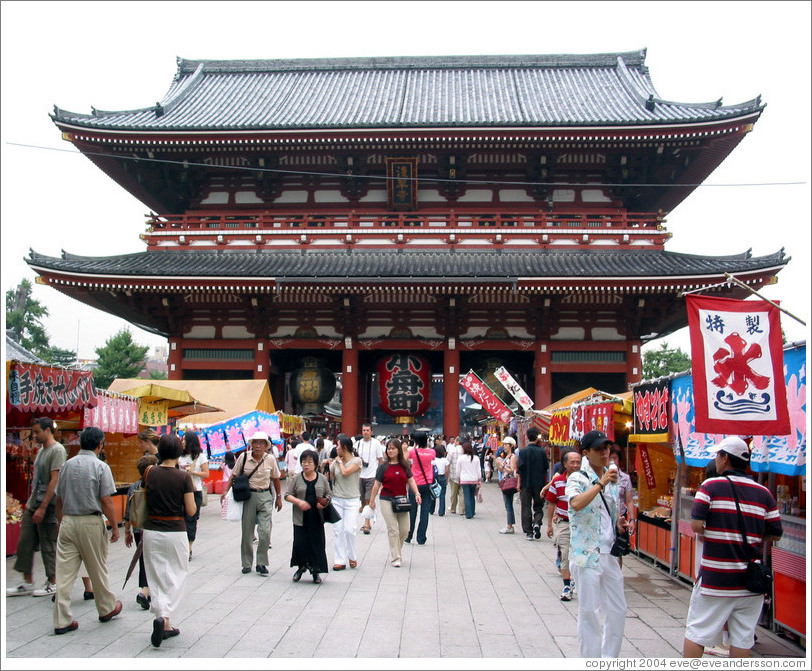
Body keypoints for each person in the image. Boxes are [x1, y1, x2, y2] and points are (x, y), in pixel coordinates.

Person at [683, 436, 783, 659]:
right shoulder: (764, 493)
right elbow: (775, 533)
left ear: (725, 458)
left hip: (716, 580)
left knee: (697, 633)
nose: (716, 459)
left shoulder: (710, 486)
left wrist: (721, 533)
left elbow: (697, 525)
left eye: (717, 455)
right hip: (750, 581)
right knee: (742, 640)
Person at [51, 426, 122, 635]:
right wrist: (115, 526)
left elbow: (59, 499)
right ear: (100, 445)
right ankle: (106, 608)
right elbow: (106, 500)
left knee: (64, 573)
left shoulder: (67, 465)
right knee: (97, 567)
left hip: (68, 522)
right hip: (90, 522)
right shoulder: (101, 467)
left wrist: (61, 522)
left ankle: (62, 619)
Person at [566, 429, 628, 658]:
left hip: (609, 552)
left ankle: (609, 657)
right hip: (587, 553)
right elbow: (576, 503)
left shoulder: (612, 476)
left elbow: (609, 512)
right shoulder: (577, 478)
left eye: (607, 448)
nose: (605, 453)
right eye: (600, 449)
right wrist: (600, 483)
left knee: (618, 609)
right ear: (586, 453)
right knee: (589, 611)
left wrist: (619, 523)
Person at [142, 433, 197, 647]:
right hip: (175, 530)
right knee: (177, 574)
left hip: (152, 530)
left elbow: (146, 499)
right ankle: (165, 617)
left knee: (155, 575)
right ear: (179, 452)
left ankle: (162, 620)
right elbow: (191, 510)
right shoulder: (183, 477)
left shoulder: (150, 472)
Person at [7, 417, 67, 599]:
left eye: (37, 431)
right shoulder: (42, 451)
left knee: (48, 543)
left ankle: (53, 581)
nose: (34, 435)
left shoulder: (57, 450)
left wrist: (42, 507)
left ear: (48, 430)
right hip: (34, 503)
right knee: (25, 542)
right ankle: (27, 580)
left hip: (47, 504)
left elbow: (54, 480)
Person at [220, 431, 282, 576]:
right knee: (247, 531)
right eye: (256, 442)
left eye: (262, 443)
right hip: (249, 496)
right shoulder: (244, 457)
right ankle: (247, 563)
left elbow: (276, 479)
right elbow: (234, 475)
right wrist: (225, 492)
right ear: (251, 444)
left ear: (267, 446)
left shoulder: (271, 459)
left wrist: (278, 497)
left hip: (265, 495)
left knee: (265, 531)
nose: (258, 446)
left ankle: (261, 562)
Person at [368, 438, 422, 568]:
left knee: (405, 530)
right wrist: (372, 501)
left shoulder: (405, 465)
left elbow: (411, 480)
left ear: (398, 450)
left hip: (402, 499)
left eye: (393, 448)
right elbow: (376, 485)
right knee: (393, 529)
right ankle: (396, 557)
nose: (390, 451)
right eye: (388, 448)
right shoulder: (383, 467)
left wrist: (417, 493)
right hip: (387, 499)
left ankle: (396, 549)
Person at [283, 449, 331, 583]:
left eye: (310, 462)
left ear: (316, 464)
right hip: (300, 517)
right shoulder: (297, 478)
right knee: (300, 543)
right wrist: (298, 501)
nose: (306, 464)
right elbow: (287, 494)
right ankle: (301, 567)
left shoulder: (322, 478)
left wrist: (325, 502)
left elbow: (329, 494)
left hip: (316, 517)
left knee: (316, 544)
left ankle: (316, 571)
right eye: (304, 461)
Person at [123, 453, 159, 609]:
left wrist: (127, 532)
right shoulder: (156, 486)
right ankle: (145, 591)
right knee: (152, 560)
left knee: (143, 559)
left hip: (138, 529)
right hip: (153, 528)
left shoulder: (133, 487)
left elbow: (128, 512)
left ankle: (147, 590)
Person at [546, 448, 582, 601]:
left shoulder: (586, 481)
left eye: (578, 462)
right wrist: (549, 524)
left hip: (582, 524)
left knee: (581, 556)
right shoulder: (558, 481)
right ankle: (567, 584)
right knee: (565, 553)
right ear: (565, 464)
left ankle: (578, 582)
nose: (575, 465)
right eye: (572, 462)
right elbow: (552, 502)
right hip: (564, 522)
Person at [327, 434, 362, 570]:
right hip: (337, 498)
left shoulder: (357, 461)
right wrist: (327, 465)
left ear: (345, 448)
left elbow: (346, 472)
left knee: (349, 529)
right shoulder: (335, 463)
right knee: (338, 530)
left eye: (338, 446)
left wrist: (339, 462)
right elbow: (329, 477)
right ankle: (339, 560)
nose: (337, 448)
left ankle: (352, 556)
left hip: (352, 500)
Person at [178, 430, 209, 561]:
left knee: (191, 519)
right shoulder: (179, 455)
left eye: (185, 439)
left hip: (194, 491)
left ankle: (189, 548)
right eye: (182, 439)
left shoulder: (200, 456)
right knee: (180, 518)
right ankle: (181, 546)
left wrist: (193, 472)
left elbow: (206, 474)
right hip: (180, 491)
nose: (182, 442)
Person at [517, 427, 549, 540]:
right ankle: (537, 522)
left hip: (526, 483)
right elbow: (546, 467)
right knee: (538, 506)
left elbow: (519, 469)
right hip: (539, 483)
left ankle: (529, 532)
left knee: (526, 506)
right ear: (537, 437)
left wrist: (518, 483)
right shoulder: (542, 451)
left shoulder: (523, 452)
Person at [405, 433, 436, 543]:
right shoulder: (432, 452)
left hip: (415, 484)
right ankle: (421, 538)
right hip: (427, 484)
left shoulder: (413, 452)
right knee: (424, 512)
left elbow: (406, 458)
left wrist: (414, 446)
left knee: (412, 511)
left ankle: (408, 536)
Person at [356, 423, 384, 535]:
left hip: (372, 475)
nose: (365, 432)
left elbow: (380, 460)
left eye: (367, 430)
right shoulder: (358, 443)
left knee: (368, 499)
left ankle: (367, 523)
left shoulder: (376, 443)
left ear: (371, 432)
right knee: (362, 500)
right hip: (360, 475)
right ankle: (370, 513)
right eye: (364, 430)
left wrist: (380, 476)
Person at [495, 436, 519, 534]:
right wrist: (498, 464)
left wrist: (503, 465)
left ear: (511, 446)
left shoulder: (513, 457)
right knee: (507, 503)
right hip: (505, 480)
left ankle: (510, 525)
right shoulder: (507, 456)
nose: (504, 447)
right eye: (503, 445)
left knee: (508, 504)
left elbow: (511, 470)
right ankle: (510, 524)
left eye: (505, 445)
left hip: (509, 481)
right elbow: (502, 470)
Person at [458, 441, 482, 518]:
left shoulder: (461, 458)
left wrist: (458, 477)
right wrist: (479, 479)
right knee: (472, 496)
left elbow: (458, 470)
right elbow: (479, 470)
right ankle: (472, 511)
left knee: (467, 496)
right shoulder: (476, 458)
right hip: (474, 479)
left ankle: (468, 514)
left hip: (464, 479)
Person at [446, 436, 466, 516]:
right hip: (463, 475)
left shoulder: (452, 450)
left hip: (453, 474)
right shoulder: (464, 450)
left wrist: (446, 474)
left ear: (457, 441)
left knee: (453, 493)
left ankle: (453, 508)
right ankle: (462, 510)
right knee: (462, 493)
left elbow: (447, 462)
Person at [429, 443, 448, 516]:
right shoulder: (445, 460)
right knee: (442, 495)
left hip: (434, 478)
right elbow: (447, 470)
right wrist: (446, 478)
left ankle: (431, 510)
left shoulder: (433, 460)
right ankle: (441, 511)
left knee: (433, 493)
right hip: (442, 476)